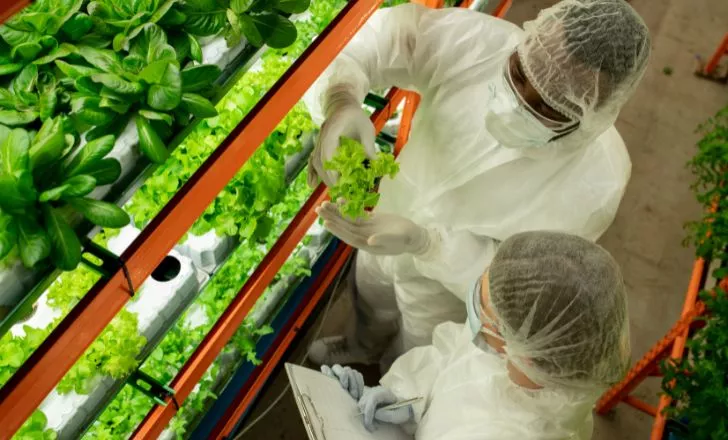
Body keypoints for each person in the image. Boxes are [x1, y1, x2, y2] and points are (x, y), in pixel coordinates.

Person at [305, 0, 650, 368]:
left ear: (591, 112)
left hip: (449, 286)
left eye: (548, 106)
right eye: (519, 74)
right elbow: (378, 40)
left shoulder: (598, 183)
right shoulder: (480, 43)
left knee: (415, 353)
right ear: (532, 41)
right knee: (370, 298)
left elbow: (525, 282)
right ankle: (360, 346)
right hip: (390, 213)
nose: (518, 102)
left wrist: (429, 245)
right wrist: (341, 98)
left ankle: (386, 385)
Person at [322, 231, 630, 439]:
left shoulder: (503, 431)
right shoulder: (525, 360)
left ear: (526, 352)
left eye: (485, 309)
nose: (473, 308)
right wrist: (405, 397)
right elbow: (451, 358)